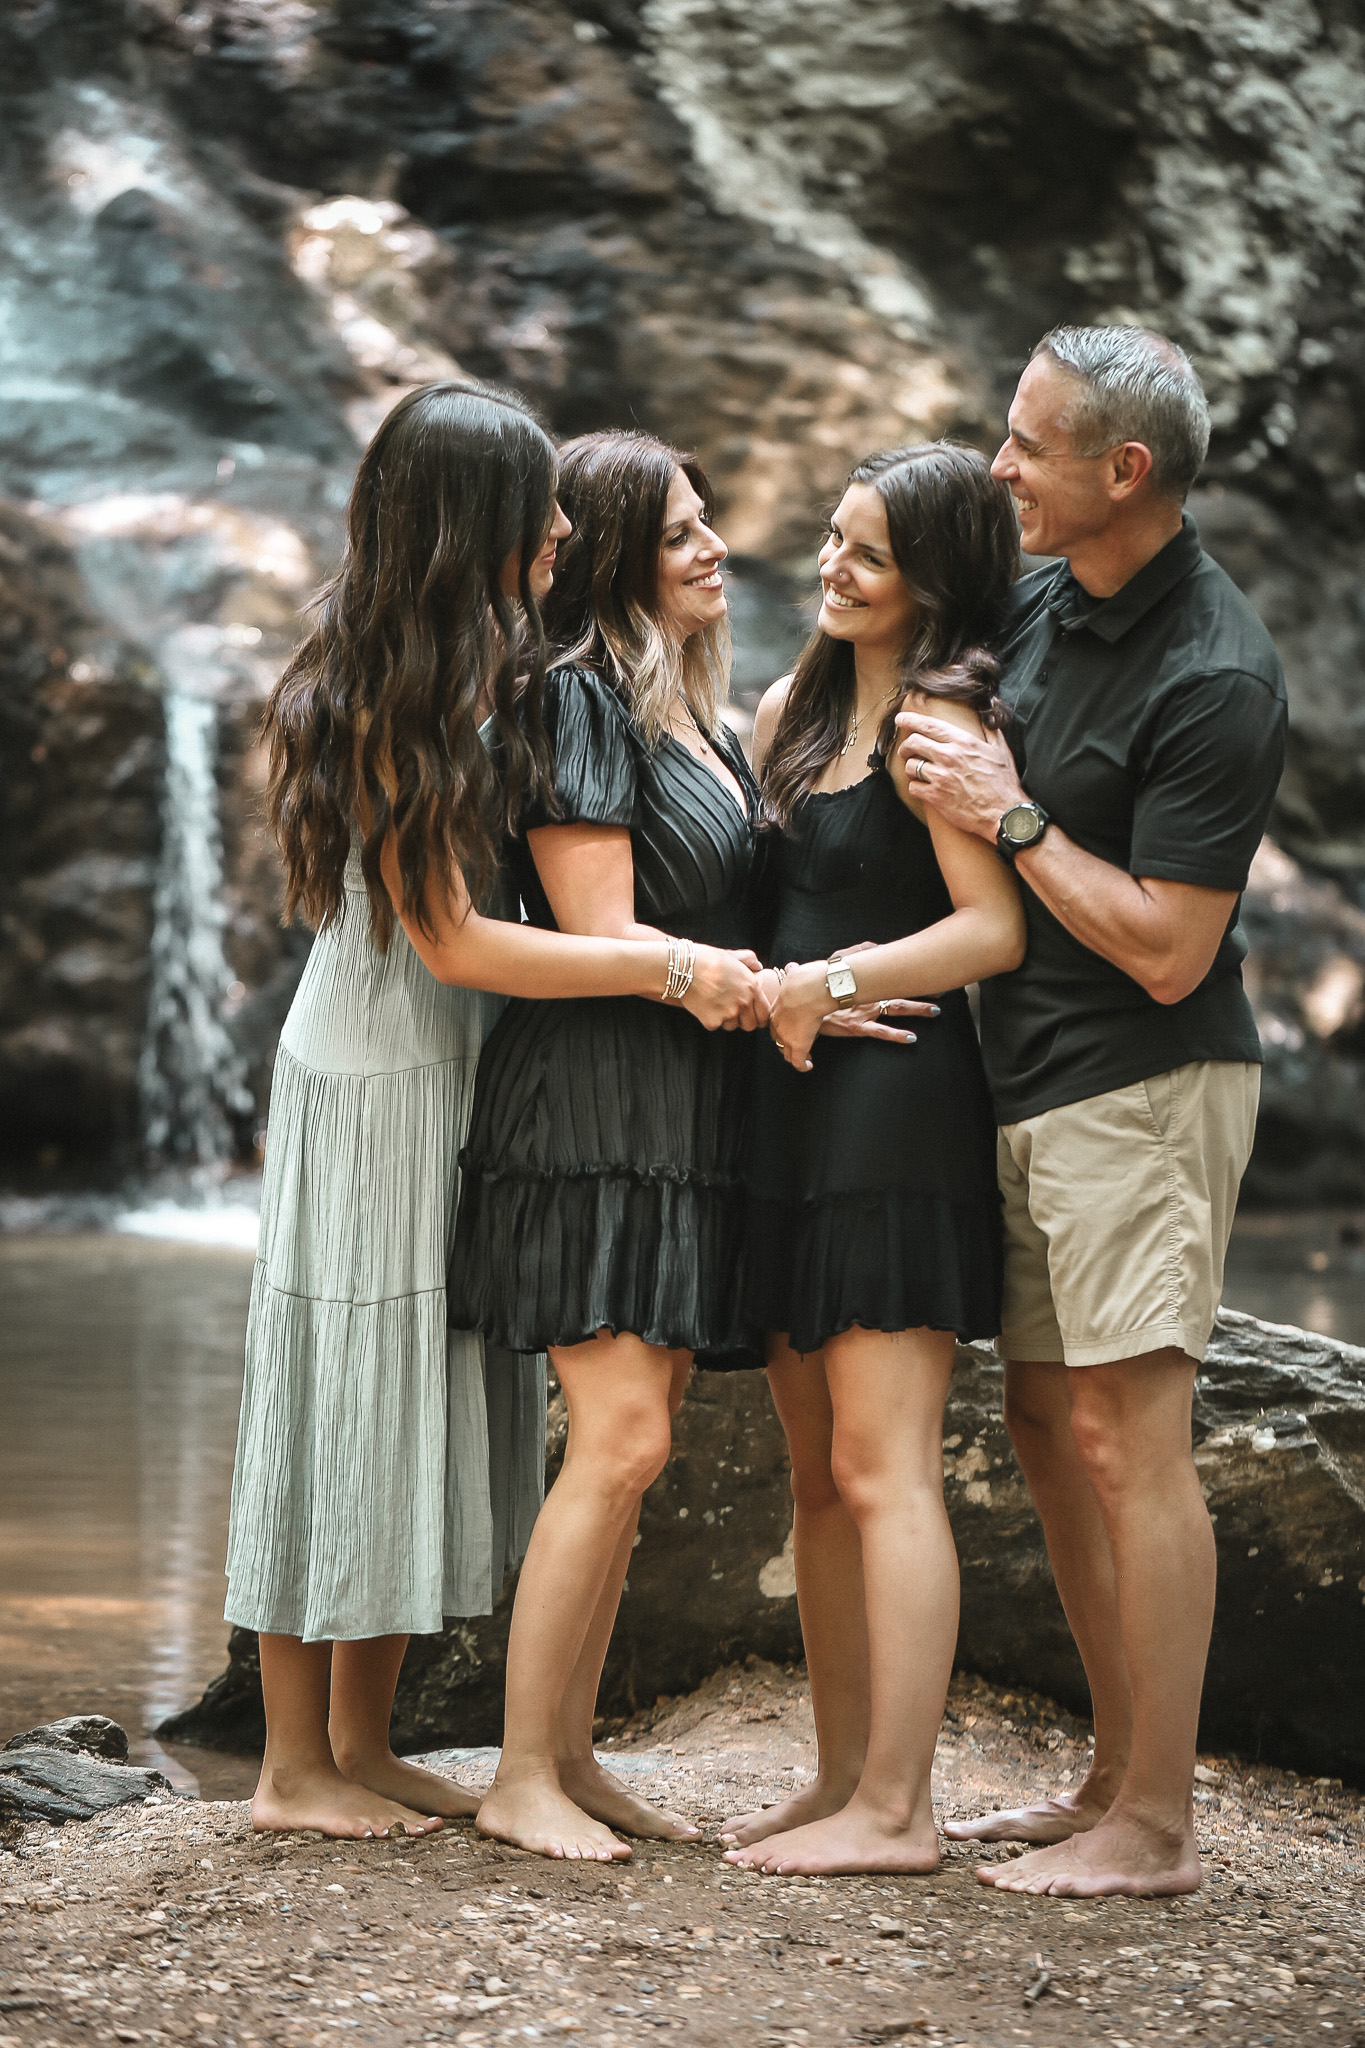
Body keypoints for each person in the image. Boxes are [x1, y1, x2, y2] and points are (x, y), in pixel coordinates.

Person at [226, 384, 763, 1841]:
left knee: (412, 1390)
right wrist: (668, 966)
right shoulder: (372, 691)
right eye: (540, 506)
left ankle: (363, 1738)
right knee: (341, 1391)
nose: (563, 530)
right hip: (374, 1073)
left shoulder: (470, 669)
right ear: (472, 518)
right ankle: (288, 1770)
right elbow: (451, 940)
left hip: (460, 1063)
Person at [896, 326, 1287, 1898]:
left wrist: (1013, 813)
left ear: (1121, 471)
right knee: (1048, 1431)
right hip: (1024, 1074)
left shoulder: (1218, 673)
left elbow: (1169, 942)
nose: (999, 468)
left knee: (1132, 1444)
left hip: (1144, 1084)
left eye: (1026, 444)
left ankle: (1159, 1828)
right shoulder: (1044, 592)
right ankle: (1110, 1776)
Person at [449, 430, 779, 1862]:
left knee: (634, 1453)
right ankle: (519, 1773)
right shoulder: (579, 696)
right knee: (620, 1437)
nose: (713, 549)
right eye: (681, 533)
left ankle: (572, 1754)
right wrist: (739, 982)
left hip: (675, 1107)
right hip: (590, 1104)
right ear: (615, 560)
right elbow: (595, 933)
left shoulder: (686, 712)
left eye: (709, 527)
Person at [718, 444, 1026, 1877]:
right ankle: (837, 1778)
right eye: (834, 545)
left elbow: (989, 933)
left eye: (870, 557)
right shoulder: (791, 706)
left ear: (936, 583)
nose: (834, 572)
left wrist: (822, 987)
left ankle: (899, 1811)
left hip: (895, 1108)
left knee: (881, 1464)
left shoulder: (938, 721)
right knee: (812, 1475)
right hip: (783, 1112)